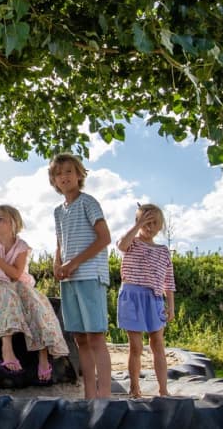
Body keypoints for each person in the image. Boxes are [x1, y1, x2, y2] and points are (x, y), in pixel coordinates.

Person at [0, 204, 68, 382]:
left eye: (1, 218)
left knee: (35, 302)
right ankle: (7, 349)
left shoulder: (22, 246)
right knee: (8, 296)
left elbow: (16, 274)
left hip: (18, 282)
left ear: (13, 223)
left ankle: (43, 354)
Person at [49, 153, 112, 399]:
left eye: (68, 171)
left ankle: (104, 395)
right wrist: (58, 263)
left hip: (89, 276)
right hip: (69, 280)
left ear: (79, 175)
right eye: (58, 173)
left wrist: (74, 262)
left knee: (95, 336)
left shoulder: (88, 202)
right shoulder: (58, 211)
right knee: (79, 339)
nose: (63, 177)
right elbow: (60, 243)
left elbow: (104, 238)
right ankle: (89, 396)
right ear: (53, 181)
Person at [116, 203, 176, 398]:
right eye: (145, 223)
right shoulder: (131, 242)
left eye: (154, 223)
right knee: (136, 346)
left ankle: (163, 389)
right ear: (138, 223)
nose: (149, 227)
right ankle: (134, 388)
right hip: (132, 296)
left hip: (155, 298)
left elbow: (169, 282)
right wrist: (137, 225)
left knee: (157, 343)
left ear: (161, 226)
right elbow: (121, 245)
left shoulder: (163, 251)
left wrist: (171, 307)